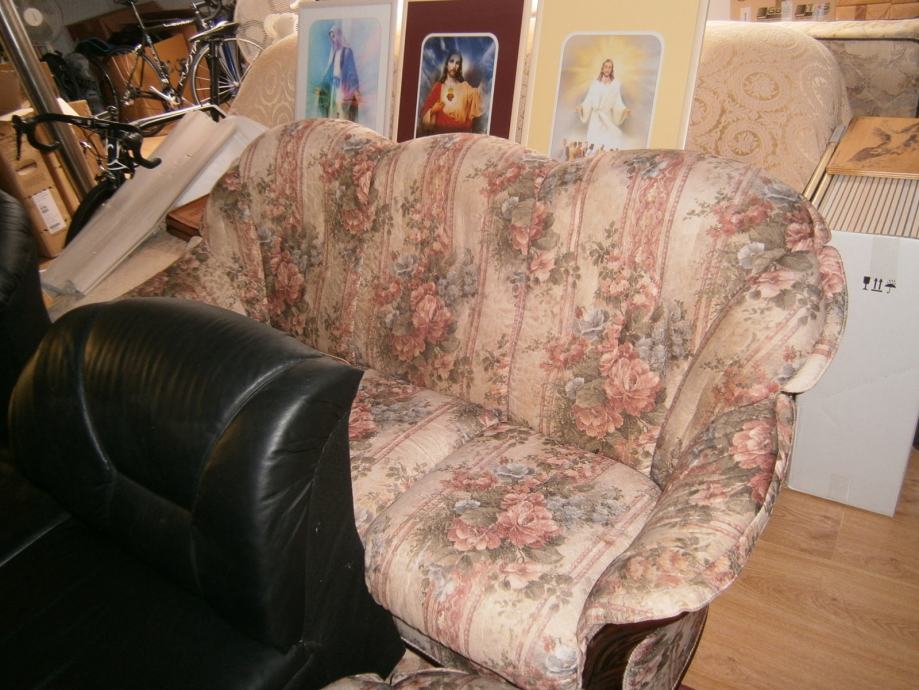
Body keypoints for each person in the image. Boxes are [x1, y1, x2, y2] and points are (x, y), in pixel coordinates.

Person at [417, 52, 484, 136]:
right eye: (451, 61)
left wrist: (485, 83)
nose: (454, 66)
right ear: (446, 64)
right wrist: (433, 110)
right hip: (441, 134)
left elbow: (478, 97)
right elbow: (425, 111)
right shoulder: (438, 87)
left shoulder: (465, 86)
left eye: (457, 63)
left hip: (460, 134)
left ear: (459, 67)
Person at [576, 58, 629, 154]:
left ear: (612, 69)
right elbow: (589, 99)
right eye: (606, 67)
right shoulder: (595, 83)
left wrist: (624, 110)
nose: (607, 69)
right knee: (594, 139)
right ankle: (591, 156)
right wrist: (582, 107)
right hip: (595, 117)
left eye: (609, 67)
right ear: (602, 68)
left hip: (606, 116)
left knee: (607, 139)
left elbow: (617, 101)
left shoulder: (615, 85)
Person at [317, 24, 360, 121]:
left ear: (339, 35)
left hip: (343, 88)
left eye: (334, 36)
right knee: (333, 113)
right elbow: (330, 72)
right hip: (334, 88)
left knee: (343, 115)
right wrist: (323, 84)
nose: (333, 39)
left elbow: (351, 71)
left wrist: (354, 88)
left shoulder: (347, 51)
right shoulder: (334, 53)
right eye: (331, 37)